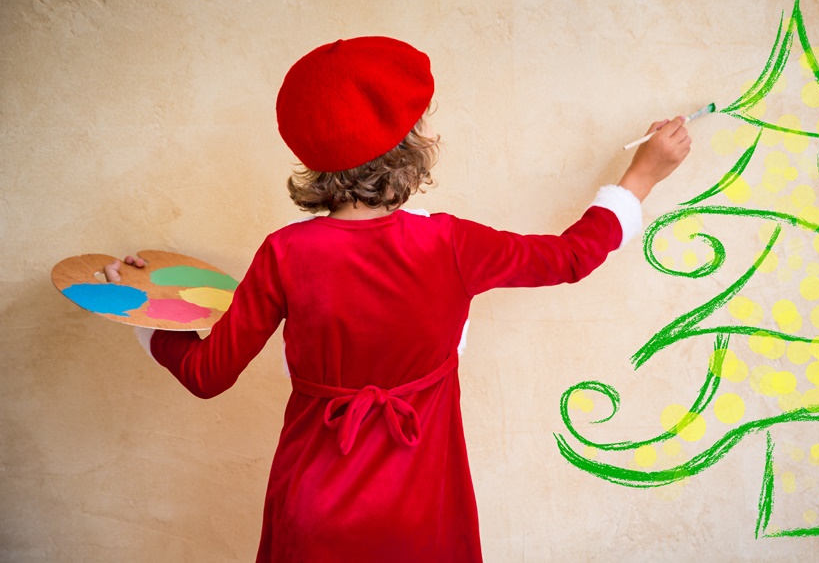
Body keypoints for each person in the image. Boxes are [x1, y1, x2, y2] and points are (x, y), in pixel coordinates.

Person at [117, 37, 691, 562]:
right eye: (422, 125)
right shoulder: (448, 245)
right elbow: (571, 256)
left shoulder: (286, 253)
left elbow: (206, 373)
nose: (432, 135)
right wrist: (642, 174)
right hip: (421, 518)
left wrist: (141, 308)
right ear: (406, 148)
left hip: (311, 513)